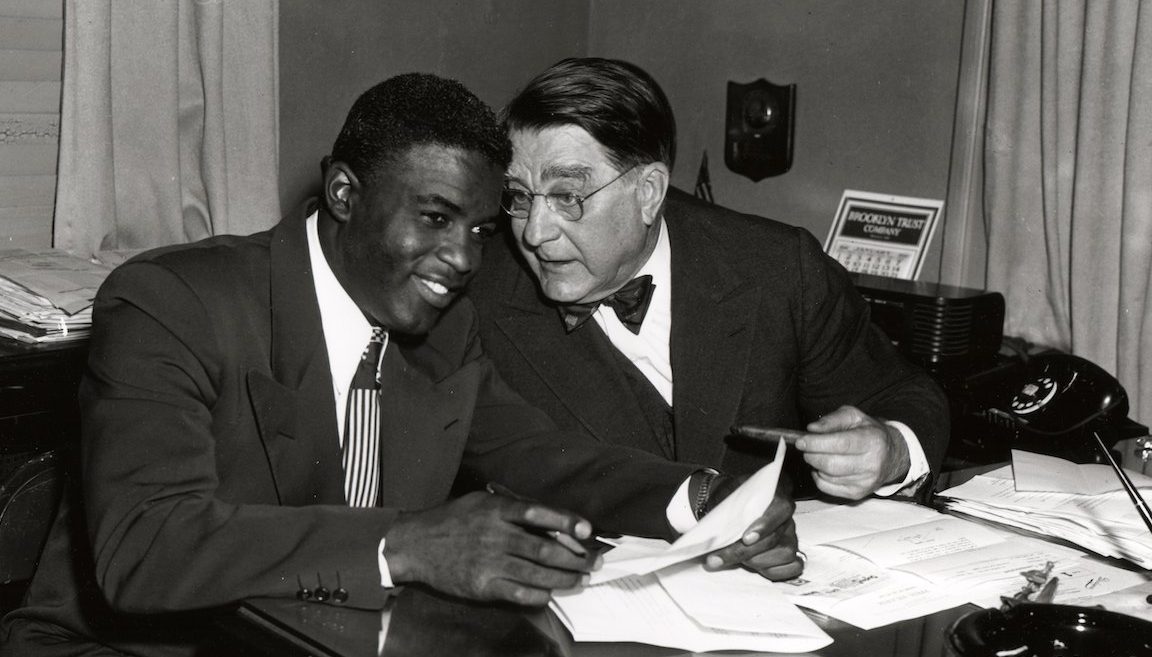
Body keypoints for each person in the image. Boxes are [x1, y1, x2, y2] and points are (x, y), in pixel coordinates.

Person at [0, 73, 797, 657]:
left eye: (483, 230)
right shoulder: (172, 304)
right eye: (435, 218)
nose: (462, 258)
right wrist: (405, 544)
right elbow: (147, 547)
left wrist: (702, 498)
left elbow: (543, 457)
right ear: (344, 193)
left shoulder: (442, 330)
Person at [468, 57, 950, 503]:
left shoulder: (777, 267)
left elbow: (901, 395)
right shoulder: (477, 296)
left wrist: (891, 449)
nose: (534, 232)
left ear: (648, 192)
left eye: (568, 195)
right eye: (520, 196)